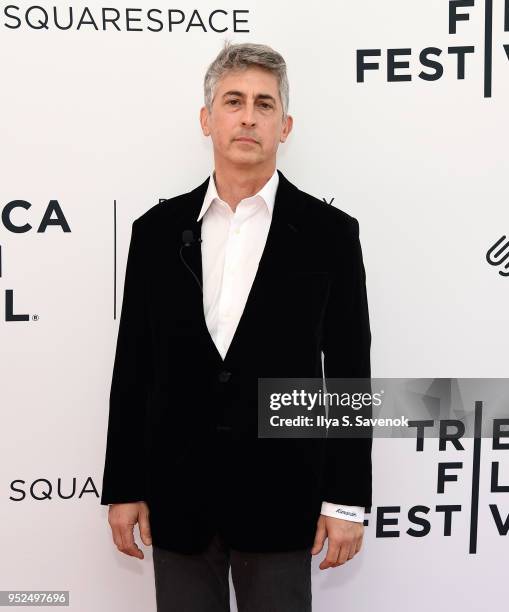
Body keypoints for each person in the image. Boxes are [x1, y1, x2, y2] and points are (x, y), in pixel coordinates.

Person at [100, 41, 372, 612]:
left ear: (285, 124)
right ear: (207, 119)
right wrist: (123, 485)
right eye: (234, 101)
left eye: (264, 104)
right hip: (178, 499)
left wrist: (346, 500)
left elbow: (348, 374)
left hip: (282, 498)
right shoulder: (155, 232)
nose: (249, 115)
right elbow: (134, 366)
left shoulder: (330, 235)